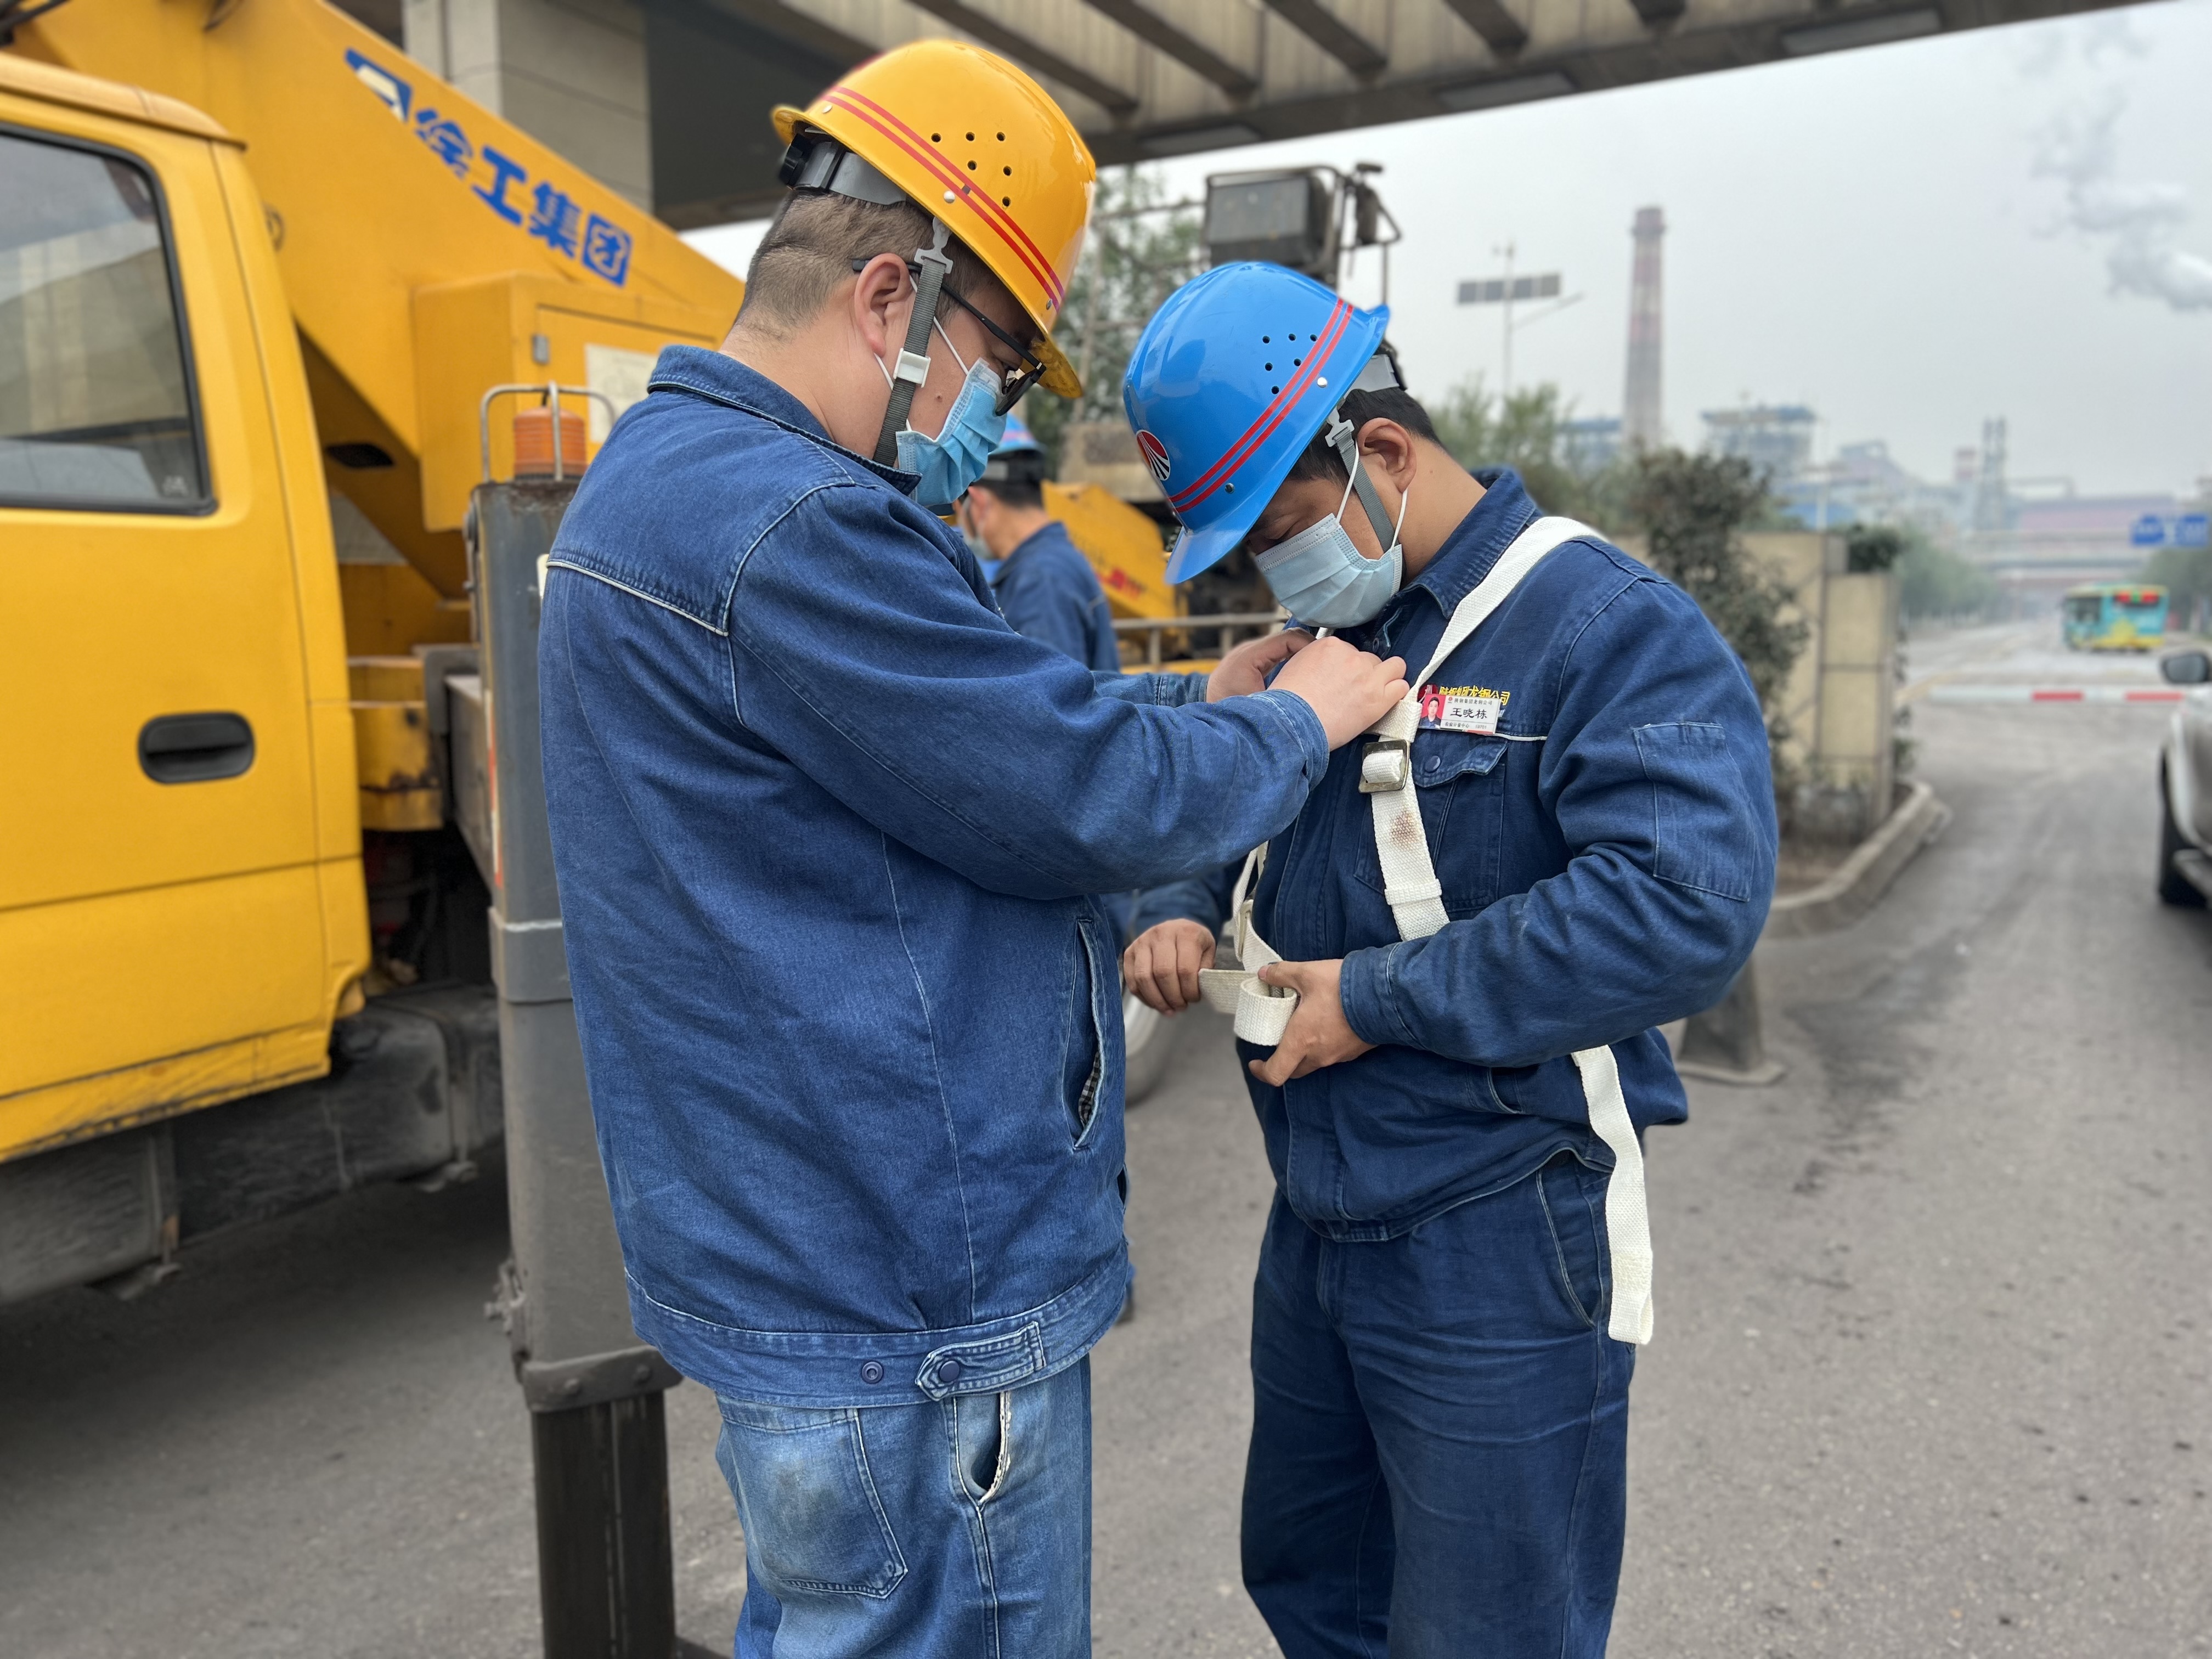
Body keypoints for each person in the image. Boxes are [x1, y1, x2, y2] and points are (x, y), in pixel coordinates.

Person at [535, 46, 1407, 1659]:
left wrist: (1183, 698)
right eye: (1001, 358)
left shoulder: (658, 493)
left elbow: (949, 749)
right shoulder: (796, 524)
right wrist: (1302, 722)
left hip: (809, 1273)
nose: (999, 410)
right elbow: (1079, 794)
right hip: (908, 1309)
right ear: (890, 296)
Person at [1119, 262, 1778, 1659]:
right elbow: (1257, 802)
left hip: (1499, 1228)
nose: (1267, 576)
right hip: (1321, 1216)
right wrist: (1182, 893)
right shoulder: (1333, 636)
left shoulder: (1601, 627)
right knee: (1314, 1587)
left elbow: (1682, 906)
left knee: (1489, 1632)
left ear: (1384, 455)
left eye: (1276, 531)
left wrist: (1374, 1000)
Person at [959, 417, 1122, 674]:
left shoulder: (1038, 581)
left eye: (959, 513)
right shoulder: (1055, 561)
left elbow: (1047, 705)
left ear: (978, 503)